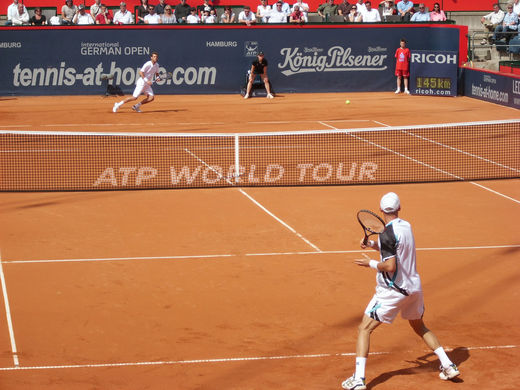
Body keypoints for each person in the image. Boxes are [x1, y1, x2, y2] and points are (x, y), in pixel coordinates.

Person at [341, 193, 460, 390]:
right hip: (414, 288)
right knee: (419, 326)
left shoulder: (387, 234)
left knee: (364, 328)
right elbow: (394, 246)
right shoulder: (406, 226)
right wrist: (372, 244)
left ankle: (358, 379)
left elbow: (390, 266)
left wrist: (369, 263)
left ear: (380, 210)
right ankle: (448, 365)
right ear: (399, 208)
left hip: (393, 291)